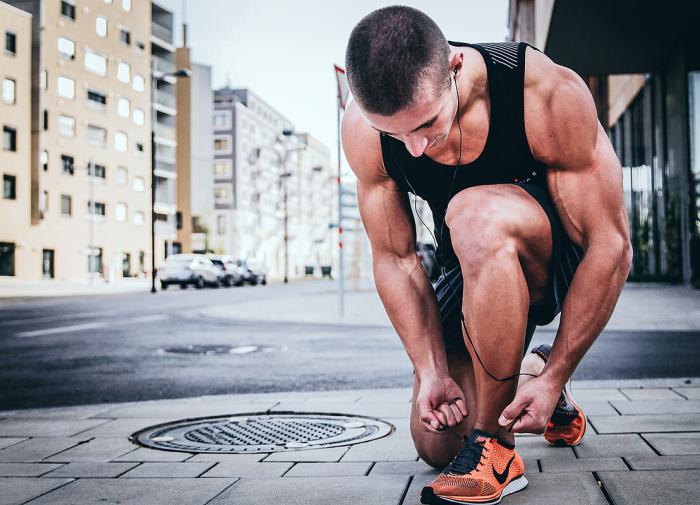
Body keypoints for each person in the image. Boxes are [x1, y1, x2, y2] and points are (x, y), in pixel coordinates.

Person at [341, 6, 632, 505]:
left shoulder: (540, 91)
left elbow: (611, 244)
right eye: (396, 135)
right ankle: (531, 377)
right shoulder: (364, 128)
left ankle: (496, 450)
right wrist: (430, 369)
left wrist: (565, 365)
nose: (413, 149)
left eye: (427, 124)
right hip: (470, 262)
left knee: (473, 212)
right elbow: (396, 258)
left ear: (454, 68)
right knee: (436, 442)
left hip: (551, 257)